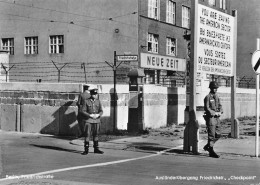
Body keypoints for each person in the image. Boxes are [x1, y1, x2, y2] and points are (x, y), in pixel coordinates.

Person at [79, 85, 104, 155]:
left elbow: (101, 110)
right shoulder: (86, 101)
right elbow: (83, 111)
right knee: (87, 134)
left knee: (96, 134)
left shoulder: (98, 101)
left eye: (96, 94)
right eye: (93, 94)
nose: (95, 95)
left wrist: (98, 115)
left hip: (97, 120)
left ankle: (96, 148)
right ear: (91, 94)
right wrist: (90, 115)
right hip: (89, 120)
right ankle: (86, 149)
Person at [203, 81, 223, 158]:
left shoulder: (217, 97)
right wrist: (213, 112)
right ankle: (211, 151)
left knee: (218, 134)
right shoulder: (208, 97)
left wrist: (221, 111)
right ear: (211, 88)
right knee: (211, 135)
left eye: (216, 88)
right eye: (214, 88)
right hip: (211, 117)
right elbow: (206, 108)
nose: (215, 89)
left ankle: (208, 146)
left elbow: (220, 105)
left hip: (217, 117)